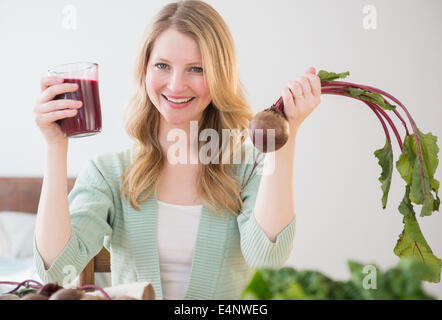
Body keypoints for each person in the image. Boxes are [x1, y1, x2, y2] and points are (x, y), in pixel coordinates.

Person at [32, 0, 321, 300]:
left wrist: (285, 134)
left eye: (196, 69)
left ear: (220, 76)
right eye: (162, 66)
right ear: (144, 70)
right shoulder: (108, 174)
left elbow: (268, 260)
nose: (176, 84)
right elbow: (57, 269)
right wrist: (55, 145)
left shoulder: (248, 168)